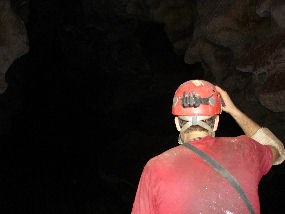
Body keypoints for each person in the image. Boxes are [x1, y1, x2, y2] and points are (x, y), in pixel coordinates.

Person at [131, 79, 285, 214]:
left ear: (178, 124)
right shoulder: (245, 149)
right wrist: (234, 110)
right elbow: (278, 150)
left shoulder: (156, 168)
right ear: (216, 122)